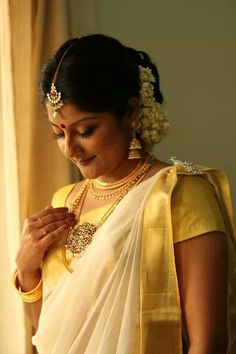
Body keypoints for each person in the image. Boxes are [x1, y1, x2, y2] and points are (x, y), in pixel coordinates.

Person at [13, 34, 235, 354]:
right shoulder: (64, 201)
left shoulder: (179, 194)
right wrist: (27, 270)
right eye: (58, 134)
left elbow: (208, 343)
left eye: (85, 131)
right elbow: (54, 332)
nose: (71, 149)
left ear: (131, 112)